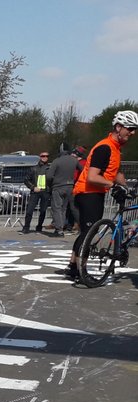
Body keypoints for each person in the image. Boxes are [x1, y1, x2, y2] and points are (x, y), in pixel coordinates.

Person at [62, 110, 138, 279]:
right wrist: (113, 186)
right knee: (90, 232)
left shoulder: (115, 149)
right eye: (130, 128)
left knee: (85, 232)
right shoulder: (104, 147)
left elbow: (115, 172)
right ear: (119, 127)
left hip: (93, 193)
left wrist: (127, 187)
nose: (133, 133)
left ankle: (73, 266)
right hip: (88, 192)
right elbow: (92, 176)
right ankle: (82, 271)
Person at [47, 148, 84, 237]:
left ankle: (59, 230)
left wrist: (50, 185)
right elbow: (83, 169)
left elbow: (49, 176)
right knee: (68, 208)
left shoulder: (57, 161)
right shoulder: (74, 160)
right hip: (70, 186)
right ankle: (80, 227)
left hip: (58, 187)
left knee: (57, 208)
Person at [20, 152, 51, 233]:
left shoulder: (50, 168)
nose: (45, 157)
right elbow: (26, 180)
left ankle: (39, 226)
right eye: (43, 156)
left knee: (43, 211)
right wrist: (33, 187)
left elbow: (53, 180)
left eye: (47, 156)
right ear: (40, 157)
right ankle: (26, 227)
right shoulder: (33, 169)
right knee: (29, 210)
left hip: (45, 192)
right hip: (35, 192)